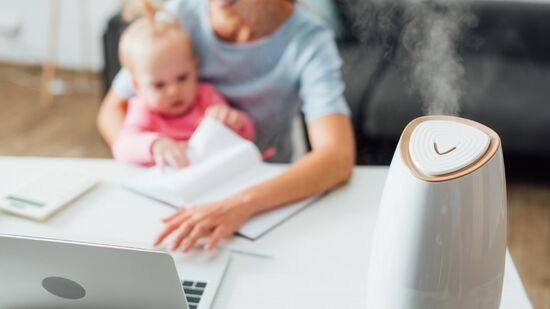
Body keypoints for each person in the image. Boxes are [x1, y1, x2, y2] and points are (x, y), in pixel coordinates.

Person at [97, 0, 355, 252]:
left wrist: (240, 204)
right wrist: (155, 160)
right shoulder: (181, 16)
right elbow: (112, 110)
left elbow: (337, 156)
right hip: (175, 187)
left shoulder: (307, 39)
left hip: (260, 195)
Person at [112, 2, 255, 168]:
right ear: (137, 86)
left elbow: (247, 137)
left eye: (182, 78)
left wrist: (236, 122)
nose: (173, 91)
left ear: (194, 68)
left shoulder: (206, 97)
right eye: (159, 85)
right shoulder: (143, 109)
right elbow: (122, 147)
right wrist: (155, 145)